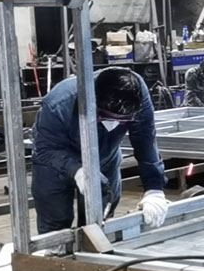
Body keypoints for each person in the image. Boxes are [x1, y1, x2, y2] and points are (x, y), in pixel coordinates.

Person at [31, 67, 170, 234]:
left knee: (99, 221)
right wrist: (78, 170)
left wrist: (154, 188)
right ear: (93, 104)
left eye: (123, 120)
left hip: (104, 157)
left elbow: (145, 139)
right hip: (55, 161)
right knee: (55, 226)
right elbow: (45, 149)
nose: (114, 124)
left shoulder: (136, 92)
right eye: (106, 117)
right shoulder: (57, 105)